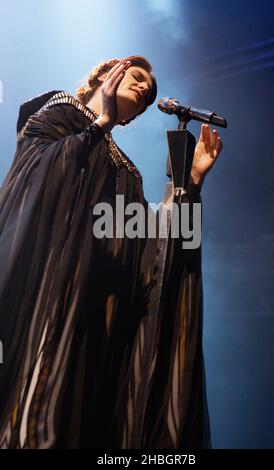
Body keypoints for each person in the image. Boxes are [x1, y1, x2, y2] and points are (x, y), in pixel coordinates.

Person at [0, 55, 222, 449]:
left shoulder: (129, 173)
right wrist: (99, 123)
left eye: (150, 92)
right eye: (137, 78)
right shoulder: (59, 111)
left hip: (96, 314)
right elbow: (37, 178)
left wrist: (187, 187)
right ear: (104, 74)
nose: (145, 90)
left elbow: (151, 248)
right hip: (52, 300)